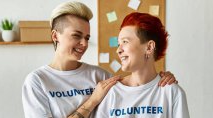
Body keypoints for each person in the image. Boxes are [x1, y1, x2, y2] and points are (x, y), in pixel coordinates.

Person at [22, 1, 177, 118]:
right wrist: (92, 101)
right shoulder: (37, 82)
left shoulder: (100, 76)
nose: (84, 44)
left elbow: (137, 89)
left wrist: (161, 79)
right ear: (55, 36)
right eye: (76, 35)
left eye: (87, 37)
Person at [94, 12, 190, 118]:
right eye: (118, 44)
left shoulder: (172, 92)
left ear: (149, 47)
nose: (118, 50)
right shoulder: (111, 92)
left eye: (125, 42)